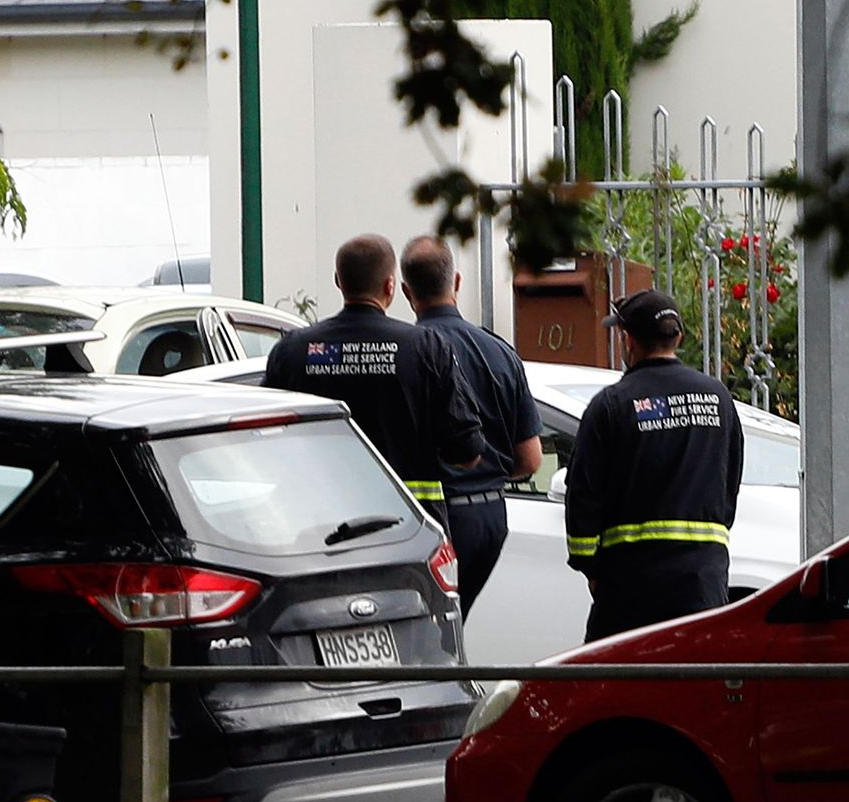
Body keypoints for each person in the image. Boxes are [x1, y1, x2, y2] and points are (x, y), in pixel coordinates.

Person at [264, 234, 487, 526]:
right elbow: (467, 451)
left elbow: (264, 441)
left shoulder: (292, 351)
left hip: (312, 527)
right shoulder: (426, 348)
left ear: (337, 281)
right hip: (410, 530)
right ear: (390, 286)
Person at [564, 289, 743, 641]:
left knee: (618, 684)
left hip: (630, 585)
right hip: (701, 582)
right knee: (694, 684)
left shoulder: (611, 405)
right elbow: (729, 480)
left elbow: (583, 495)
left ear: (627, 339)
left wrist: (590, 567)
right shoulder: (717, 397)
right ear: (678, 337)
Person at [400, 235, 543, 616]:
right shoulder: (499, 352)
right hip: (489, 520)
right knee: (456, 625)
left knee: (426, 630)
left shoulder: (404, 354)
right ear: (457, 282)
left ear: (404, 290)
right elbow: (530, 459)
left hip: (431, 518)